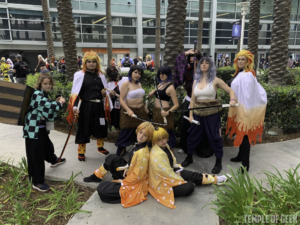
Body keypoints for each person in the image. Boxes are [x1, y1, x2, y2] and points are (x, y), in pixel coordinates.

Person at [148, 127, 229, 209]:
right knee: (189, 187)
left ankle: (216, 179)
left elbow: (172, 162)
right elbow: (165, 173)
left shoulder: (165, 146)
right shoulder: (157, 154)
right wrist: (179, 177)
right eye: (159, 140)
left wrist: (178, 170)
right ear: (155, 141)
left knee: (193, 175)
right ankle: (194, 182)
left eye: (164, 138)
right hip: (163, 183)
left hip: (171, 172)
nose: (163, 141)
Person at [181, 57, 236, 174]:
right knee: (192, 136)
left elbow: (231, 91)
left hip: (212, 115)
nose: (204, 65)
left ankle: (218, 162)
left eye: (207, 63)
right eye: (202, 63)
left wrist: (232, 100)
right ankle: (189, 157)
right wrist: (190, 115)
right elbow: (193, 100)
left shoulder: (216, 80)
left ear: (210, 66)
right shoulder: (196, 81)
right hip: (197, 114)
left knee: (215, 137)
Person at [86, 122, 154, 208]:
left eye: (145, 135)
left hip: (135, 183)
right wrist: (127, 167)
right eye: (140, 132)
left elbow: (138, 177)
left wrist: (123, 182)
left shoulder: (143, 153)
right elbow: (133, 163)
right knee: (112, 158)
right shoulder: (138, 145)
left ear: (148, 138)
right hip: (129, 173)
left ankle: (117, 184)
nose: (140, 136)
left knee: (102, 189)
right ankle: (97, 176)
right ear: (137, 131)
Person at [23, 70, 66, 192]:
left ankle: (53, 159)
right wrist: (60, 103)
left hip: (40, 128)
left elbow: (47, 111)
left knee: (47, 146)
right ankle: (37, 181)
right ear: (40, 84)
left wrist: (56, 103)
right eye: (45, 83)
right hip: (33, 129)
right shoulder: (37, 94)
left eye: (49, 84)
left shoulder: (44, 94)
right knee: (36, 155)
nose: (48, 86)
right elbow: (48, 108)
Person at [226, 49, 267, 173]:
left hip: (245, 110)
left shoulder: (249, 74)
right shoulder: (242, 73)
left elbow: (249, 95)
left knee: (245, 137)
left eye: (243, 59)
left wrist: (246, 111)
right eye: (238, 59)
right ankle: (240, 156)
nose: (240, 61)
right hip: (239, 109)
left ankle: (245, 165)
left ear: (248, 61)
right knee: (241, 134)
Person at [66, 51, 110, 162]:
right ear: (85, 63)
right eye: (89, 62)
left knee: (101, 126)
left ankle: (100, 147)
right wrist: (75, 107)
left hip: (99, 106)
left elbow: (105, 90)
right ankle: (81, 152)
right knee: (84, 128)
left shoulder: (101, 75)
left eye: (93, 62)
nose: (91, 64)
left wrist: (105, 94)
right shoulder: (80, 75)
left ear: (97, 63)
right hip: (86, 106)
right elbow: (75, 93)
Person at [115, 65, 149, 156]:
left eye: (139, 73)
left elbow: (141, 97)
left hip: (140, 112)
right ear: (131, 72)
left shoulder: (139, 84)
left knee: (141, 133)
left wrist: (145, 108)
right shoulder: (126, 84)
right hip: (129, 112)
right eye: (135, 72)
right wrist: (129, 110)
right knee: (125, 133)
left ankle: (139, 154)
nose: (137, 75)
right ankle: (117, 157)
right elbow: (121, 99)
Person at [147, 66, 179, 149]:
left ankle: (169, 153)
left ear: (168, 75)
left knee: (165, 133)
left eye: (164, 74)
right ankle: (158, 150)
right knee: (158, 132)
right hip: (157, 111)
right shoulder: (160, 84)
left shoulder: (171, 87)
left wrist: (167, 112)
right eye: (160, 74)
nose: (162, 75)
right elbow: (156, 91)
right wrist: (151, 93)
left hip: (164, 112)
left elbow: (176, 105)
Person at [105, 66, 128, 130]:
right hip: (115, 106)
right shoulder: (109, 84)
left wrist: (116, 94)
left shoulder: (125, 79)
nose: (113, 73)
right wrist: (110, 94)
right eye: (110, 72)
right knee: (115, 119)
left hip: (124, 104)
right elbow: (108, 97)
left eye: (114, 71)